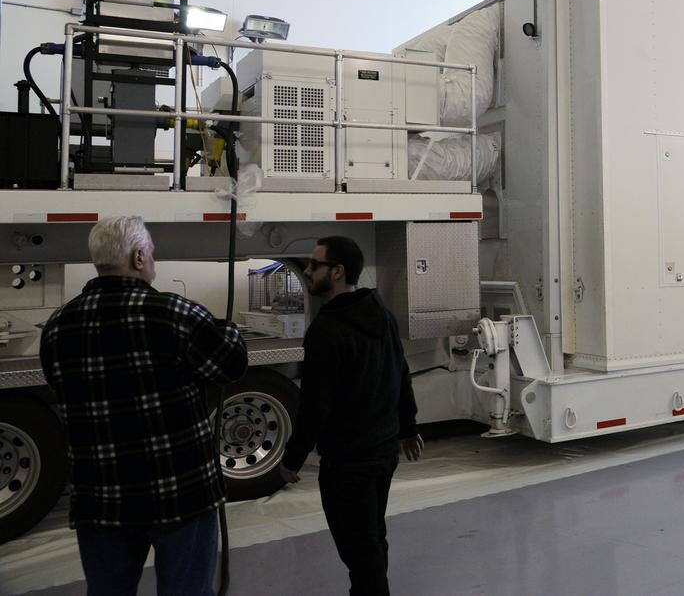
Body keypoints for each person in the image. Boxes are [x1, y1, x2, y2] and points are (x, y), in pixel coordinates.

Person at [39, 215, 247, 596]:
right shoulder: (174, 313)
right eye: (151, 253)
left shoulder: (57, 325)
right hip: (181, 495)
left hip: (102, 501)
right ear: (138, 257)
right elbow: (230, 363)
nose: (153, 260)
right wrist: (225, 327)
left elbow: (60, 387)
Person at [279, 236, 424, 596]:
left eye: (315, 265)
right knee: (373, 538)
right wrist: (407, 427)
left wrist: (292, 459)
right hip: (383, 453)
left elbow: (315, 403)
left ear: (338, 271)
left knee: (360, 551)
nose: (308, 272)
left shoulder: (327, 330)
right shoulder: (381, 314)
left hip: (347, 464)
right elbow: (400, 373)